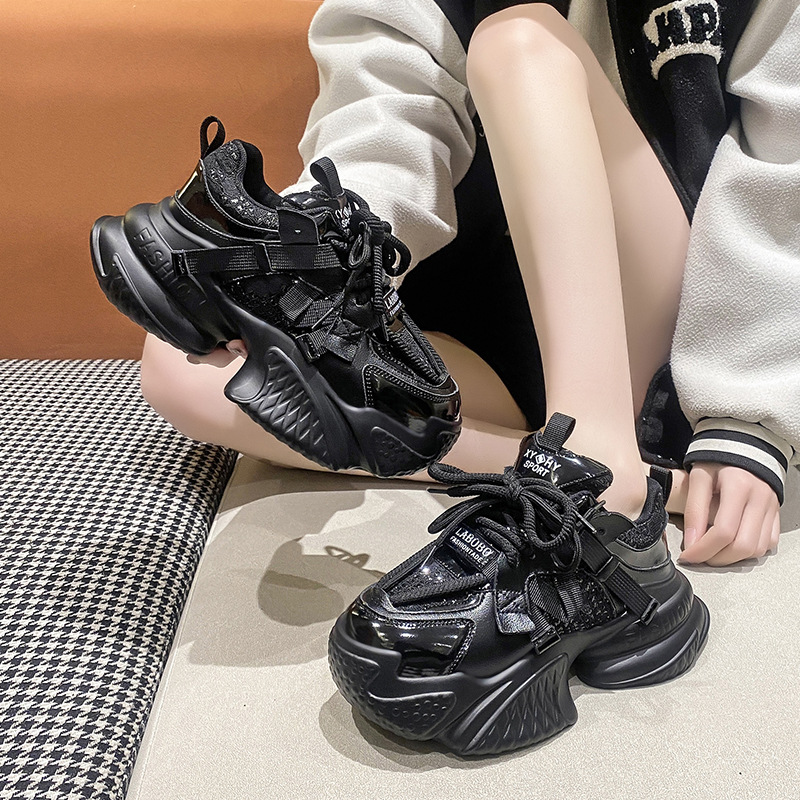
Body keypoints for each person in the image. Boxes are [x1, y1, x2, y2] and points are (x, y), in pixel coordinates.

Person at [140, 0, 800, 566]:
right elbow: (382, 106)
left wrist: (745, 413)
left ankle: (595, 457)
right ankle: (595, 477)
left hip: (653, 320)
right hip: (484, 321)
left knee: (519, 41)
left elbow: (782, 171)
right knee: (182, 361)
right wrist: (317, 270)